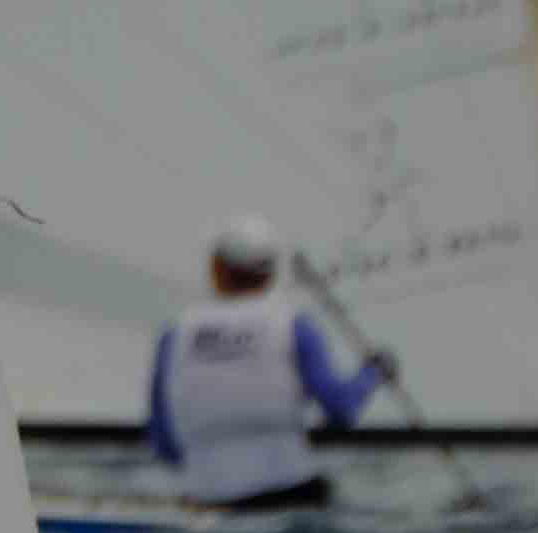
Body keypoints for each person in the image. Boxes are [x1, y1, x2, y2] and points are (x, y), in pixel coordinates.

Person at [146, 214, 389, 509]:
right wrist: (374, 372)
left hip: (204, 500)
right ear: (270, 275)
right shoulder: (294, 326)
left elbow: (164, 443)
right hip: (291, 495)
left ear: (216, 269)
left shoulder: (175, 334)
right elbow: (341, 410)